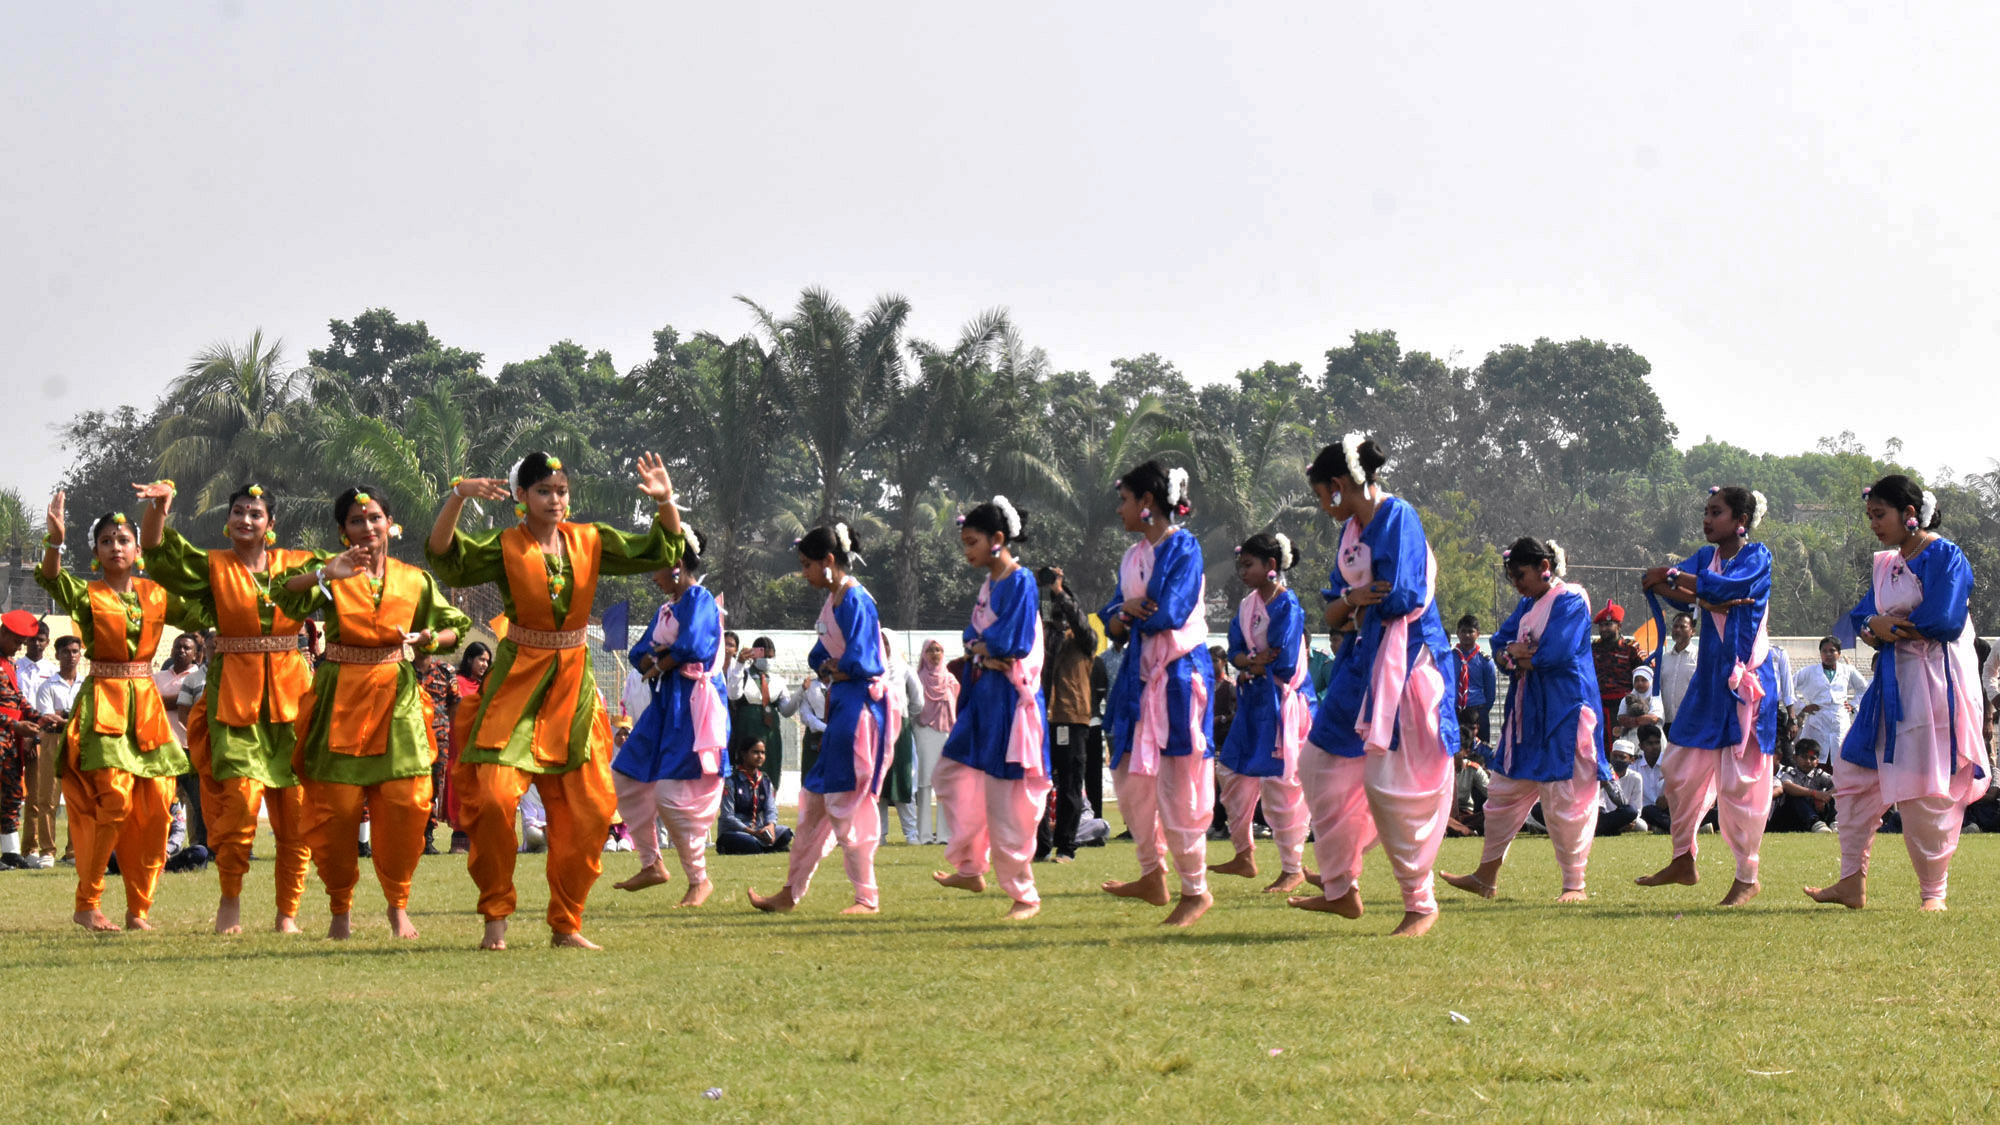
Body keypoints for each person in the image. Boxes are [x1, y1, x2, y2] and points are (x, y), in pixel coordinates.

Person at [428, 450, 682, 951]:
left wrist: (665, 500)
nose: (555, 499)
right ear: (521, 497)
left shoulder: (590, 540)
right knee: (499, 799)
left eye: (561, 490)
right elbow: (446, 558)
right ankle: (495, 918)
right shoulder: (504, 546)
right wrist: (457, 497)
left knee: (589, 812)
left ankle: (567, 924)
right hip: (516, 687)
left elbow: (661, 549)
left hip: (572, 690)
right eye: (543, 490)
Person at [276, 487, 468, 940]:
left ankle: (398, 904)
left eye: (375, 518)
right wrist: (325, 572)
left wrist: (426, 639)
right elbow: (282, 594)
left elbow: (453, 628)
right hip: (340, 695)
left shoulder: (414, 579)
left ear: (390, 522)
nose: (367, 528)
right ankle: (339, 907)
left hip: (397, 698)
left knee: (406, 803)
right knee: (336, 811)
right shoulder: (334, 571)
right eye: (356, 521)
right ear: (342, 531)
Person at [1288, 435, 1459, 937]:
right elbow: (1334, 608)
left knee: (1391, 786)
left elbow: (1403, 595)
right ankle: (1340, 888)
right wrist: (1356, 599)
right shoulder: (1352, 533)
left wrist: (1354, 601)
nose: (1322, 506)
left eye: (1322, 495)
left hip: (1407, 663)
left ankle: (1420, 904)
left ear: (1339, 486)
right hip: (1362, 661)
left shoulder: (1398, 516)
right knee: (1318, 764)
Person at [136, 481, 322, 933]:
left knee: (295, 815)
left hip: (292, 700)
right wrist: (161, 509)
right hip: (234, 701)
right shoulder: (214, 567)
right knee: (238, 806)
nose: (245, 519)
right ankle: (230, 903)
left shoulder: (297, 565)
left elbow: (344, 581)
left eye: (255, 513)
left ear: (270, 524)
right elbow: (159, 553)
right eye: (238, 511)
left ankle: (288, 914)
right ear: (228, 519)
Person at [1808, 475, 1989, 910]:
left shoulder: (1944, 554)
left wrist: (1888, 626)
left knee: (1925, 791)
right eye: (1870, 515)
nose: (1873, 523)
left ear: (1909, 515)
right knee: (1852, 777)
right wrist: (1874, 626)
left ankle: (1934, 894)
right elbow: (1861, 614)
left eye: (1880, 515)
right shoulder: (1887, 562)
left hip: (1931, 686)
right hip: (1888, 682)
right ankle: (1851, 881)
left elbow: (1945, 620)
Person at [37, 495, 205, 931]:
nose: (116, 546)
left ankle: (138, 910)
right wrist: (55, 543)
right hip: (104, 703)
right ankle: (87, 902)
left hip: (145, 706)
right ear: (95, 553)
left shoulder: (155, 594)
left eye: (124, 539)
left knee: (155, 808)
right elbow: (53, 580)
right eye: (106, 540)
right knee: (114, 799)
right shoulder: (87, 593)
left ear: (137, 551)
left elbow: (203, 609)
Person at [1442, 537, 1609, 903]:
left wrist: (1517, 656)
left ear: (1543, 568)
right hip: (1526, 715)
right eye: (1511, 576)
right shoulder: (1526, 605)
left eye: (1521, 574)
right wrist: (1514, 656)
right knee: (1501, 795)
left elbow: (1557, 653)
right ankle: (1486, 876)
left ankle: (1574, 885)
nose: (1516, 582)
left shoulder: (1572, 598)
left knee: (1564, 799)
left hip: (1565, 714)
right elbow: (1499, 645)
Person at [1637, 485, 1779, 907]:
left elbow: (1712, 588)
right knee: (1678, 769)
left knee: (1742, 785)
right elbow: (1663, 582)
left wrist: (1690, 587)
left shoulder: (1758, 557)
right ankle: (1683, 858)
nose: (1706, 518)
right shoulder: (1705, 558)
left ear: (1740, 521)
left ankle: (1747, 878)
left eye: (1715, 512)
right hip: (1708, 684)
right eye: (1705, 511)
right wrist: (1700, 591)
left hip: (1745, 682)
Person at [749, 522, 900, 915]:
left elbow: (863, 660)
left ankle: (866, 898)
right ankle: (789, 891)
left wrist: (838, 667)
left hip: (860, 713)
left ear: (828, 561)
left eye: (806, 565)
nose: (804, 573)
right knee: (814, 804)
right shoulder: (832, 600)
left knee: (847, 803)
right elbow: (823, 656)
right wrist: (831, 667)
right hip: (841, 708)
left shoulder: (855, 600)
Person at [1097, 460, 1217, 928]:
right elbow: (1112, 619)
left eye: (1125, 499)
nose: (1120, 508)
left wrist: (1126, 612)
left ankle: (1195, 890)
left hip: (1179, 679)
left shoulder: (1184, 547)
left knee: (1177, 785)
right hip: (1138, 680)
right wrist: (1125, 612)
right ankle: (1152, 875)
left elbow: (1169, 610)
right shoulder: (1133, 557)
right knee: (1129, 781)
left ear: (1147, 502)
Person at [931, 497, 1052, 920]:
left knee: (1005, 799)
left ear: (997, 540)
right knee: (947, 774)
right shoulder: (989, 586)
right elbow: (972, 637)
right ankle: (970, 864)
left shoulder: (1020, 582)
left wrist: (985, 646)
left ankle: (1024, 895)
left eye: (972, 541)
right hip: (982, 695)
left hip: (1007, 702)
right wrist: (984, 647)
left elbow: (1012, 642)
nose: (967, 550)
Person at [610, 531, 730, 908]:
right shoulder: (667, 608)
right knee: (626, 774)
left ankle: (699, 880)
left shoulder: (700, 600)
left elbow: (693, 646)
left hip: (692, 706)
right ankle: (652, 864)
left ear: (676, 566)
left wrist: (662, 659)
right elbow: (638, 651)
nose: (653, 576)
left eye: (657, 567)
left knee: (670, 794)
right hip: (665, 704)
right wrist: (660, 657)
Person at [1209, 532, 1316, 894]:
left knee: (1280, 786)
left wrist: (1249, 663)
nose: (1242, 571)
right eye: (1241, 564)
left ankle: (1292, 868)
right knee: (1230, 772)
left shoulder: (1288, 605)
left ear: (1271, 566)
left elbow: (1284, 663)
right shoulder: (1246, 606)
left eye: (1248, 564)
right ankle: (1244, 853)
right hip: (1254, 702)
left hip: (1280, 705)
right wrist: (1255, 661)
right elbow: (1235, 650)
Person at [1039, 568, 1094, 861]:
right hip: (1040, 716)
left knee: (1071, 785)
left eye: (1062, 603)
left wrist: (1060, 590)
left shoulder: (1084, 637)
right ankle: (1041, 846)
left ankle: (1066, 846)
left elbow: (1081, 623)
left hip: (1071, 717)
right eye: (1054, 603)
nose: (1058, 609)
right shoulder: (1044, 634)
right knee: (1038, 783)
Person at [0, 612, 57, 870]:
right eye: (18, 640)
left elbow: (19, 700)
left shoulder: (9, 662)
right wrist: (15, 725)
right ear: (4, 634)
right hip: (8, 732)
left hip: (10, 741)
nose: (21, 646)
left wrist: (41, 716)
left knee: (12, 795)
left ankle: (10, 853)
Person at [24, 633, 84, 866]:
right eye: (66, 652)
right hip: (52, 741)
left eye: (75, 652)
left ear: (80, 655)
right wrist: (72, 716)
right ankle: (47, 851)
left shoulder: (86, 684)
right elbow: (48, 719)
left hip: (78, 742)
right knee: (48, 797)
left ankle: (73, 851)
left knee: (77, 799)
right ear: (57, 655)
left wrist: (64, 716)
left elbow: (87, 717)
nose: (71, 656)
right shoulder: (47, 685)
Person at [444, 642, 491, 855]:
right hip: (459, 744)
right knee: (459, 790)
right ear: (470, 659)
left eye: (487, 661)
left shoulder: (487, 685)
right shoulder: (458, 683)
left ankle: (477, 838)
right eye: (481, 659)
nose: (484, 664)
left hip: (481, 746)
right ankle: (459, 840)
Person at [912, 638, 960, 846]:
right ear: (924, 654)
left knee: (944, 783)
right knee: (924, 783)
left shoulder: (951, 680)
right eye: (930, 650)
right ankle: (923, 834)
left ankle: (944, 834)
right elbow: (913, 707)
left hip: (946, 733)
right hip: (923, 731)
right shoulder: (917, 679)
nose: (934, 654)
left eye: (938, 650)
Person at [1793, 636, 1867, 765]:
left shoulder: (1848, 670)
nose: (1828, 654)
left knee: (1840, 760)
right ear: (1820, 653)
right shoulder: (1808, 671)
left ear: (1839, 653)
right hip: (1817, 721)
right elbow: (1786, 688)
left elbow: (1864, 688)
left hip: (1839, 721)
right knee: (1814, 759)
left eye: (1832, 651)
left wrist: (1853, 705)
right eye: (1824, 651)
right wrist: (1802, 706)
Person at [878, 634, 921, 844]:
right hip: (877, 730)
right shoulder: (872, 667)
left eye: (887, 642)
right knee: (879, 785)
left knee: (902, 781)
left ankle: (911, 834)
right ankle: (879, 835)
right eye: (880, 642)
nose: (883, 646)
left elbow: (918, 700)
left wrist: (904, 715)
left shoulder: (904, 669)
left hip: (900, 730)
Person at [415, 651, 460, 855]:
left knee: (433, 788)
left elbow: (454, 703)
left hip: (438, 738)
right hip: (411, 738)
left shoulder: (445, 671)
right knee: (409, 788)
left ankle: (428, 837)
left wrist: (441, 727)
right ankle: (409, 837)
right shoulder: (405, 670)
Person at [716, 737, 792, 854]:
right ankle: (765, 847)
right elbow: (728, 817)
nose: (760, 756)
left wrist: (770, 827)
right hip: (736, 832)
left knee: (786, 833)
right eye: (755, 752)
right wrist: (751, 832)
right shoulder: (732, 781)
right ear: (743, 754)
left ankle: (763, 845)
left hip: (758, 830)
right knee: (749, 843)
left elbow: (770, 810)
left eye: (762, 753)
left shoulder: (765, 781)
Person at [731, 636, 789, 788]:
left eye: (770, 656)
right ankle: (743, 799)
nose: (767, 659)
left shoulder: (778, 681)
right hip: (748, 725)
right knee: (748, 762)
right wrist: (739, 664)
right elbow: (733, 694)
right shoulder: (742, 674)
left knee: (770, 763)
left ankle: (768, 800)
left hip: (770, 730)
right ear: (754, 654)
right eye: (763, 655)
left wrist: (802, 692)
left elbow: (786, 709)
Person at [1592, 602, 1642, 751]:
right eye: (1601, 625)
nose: (1604, 629)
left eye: (1608, 625)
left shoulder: (1631, 647)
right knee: (1599, 746)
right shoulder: (1593, 648)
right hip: (1598, 704)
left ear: (1618, 626)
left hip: (1623, 706)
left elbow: (1644, 673)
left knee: (1622, 746)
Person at [1770, 738, 1835, 832]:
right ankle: (1815, 822)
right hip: (1796, 816)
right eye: (1804, 757)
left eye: (1812, 758)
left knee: (1837, 794)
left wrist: (1826, 796)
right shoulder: (1790, 774)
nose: (1808, 761)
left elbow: (1839, 784)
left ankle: (1834, 822)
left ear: (1817, 762)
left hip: (1818, 809)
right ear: (1795, 758)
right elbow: (1787, 786)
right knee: (1795, 796)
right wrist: (1814, 794)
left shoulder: (1819, 774)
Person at [1452, 614, 1497, 745]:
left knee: (1480, 750)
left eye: (1471, 631)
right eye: (1463, 631)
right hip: (1455, 711)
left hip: (1477, 711)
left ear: (1478, 634)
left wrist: (1481, 711)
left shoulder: (1485, 661)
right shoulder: (1449, 658)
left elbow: (1490, 693)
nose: (1467, 635)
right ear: (1457, 633)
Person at [1657, 611, 1699, 726]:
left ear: (1692, 632)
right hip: (1667, 721)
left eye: (1682, 627)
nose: (1677, 630)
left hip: (1691, 720)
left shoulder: (1699, 657)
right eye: (1675, 626)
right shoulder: (1664, 658)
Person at [1597, 739, 1644, 836]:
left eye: (1622, 757)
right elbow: (1600, 804)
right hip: (1605, 816)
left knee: (1642, 825)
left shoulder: (1636, 777)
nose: (1618, 760)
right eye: (1615, 756)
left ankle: (1608, 830)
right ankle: (1615, 830)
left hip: (1623, 816)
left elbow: (1636, 808)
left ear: (1632, 760)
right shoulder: (1604, 773)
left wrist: (1629, 821)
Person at [1632, 724, 1669, 833]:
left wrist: (1668, 797)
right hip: (1646, 811)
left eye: (1657, 742)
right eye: (1650, 743)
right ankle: (1679, 829)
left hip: (1668, 807)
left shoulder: (1669, 762)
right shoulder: (1634, 765)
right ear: (1641, 746)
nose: (1655, 747)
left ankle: (1662, 826)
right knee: (1648, 811)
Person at [1612, 666, 1663, 741]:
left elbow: (1653, 719)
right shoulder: (1627, 698)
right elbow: (1622, 720)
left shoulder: (1655, 698)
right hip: (1630, 737)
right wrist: (1642, 720)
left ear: (1650, 681)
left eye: (1643, 680)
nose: (1640, 683)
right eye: (1637, 680)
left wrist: (1633, 720)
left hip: (1651, 737)